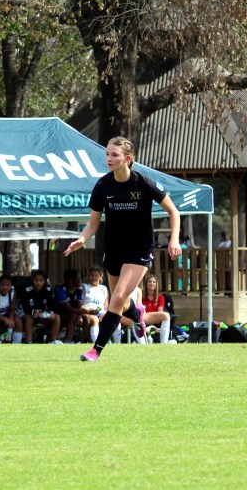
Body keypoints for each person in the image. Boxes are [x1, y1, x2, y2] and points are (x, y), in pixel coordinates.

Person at [64, 136, 182, 362]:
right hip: (114, 250)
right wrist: (81, 239)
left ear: (127, 159)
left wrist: (174, 239)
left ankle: (95, 350)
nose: (109, 158)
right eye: (107, 154)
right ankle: (137, 315)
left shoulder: (144, 183)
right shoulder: (103, 185)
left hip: (139, 250)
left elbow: (174, 212)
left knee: (117, 298)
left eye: (114, 155)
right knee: (122, 303)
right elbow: (93, 223)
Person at [18, 269, 61, 344]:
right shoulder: (27, 290)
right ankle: (29, 341)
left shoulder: (47, 290)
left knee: (56, 317)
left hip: (40, 315)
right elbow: (25, 306)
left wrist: (51, 312)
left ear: (44, 281)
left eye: (41, 280)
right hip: (26, 314)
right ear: (32, 280)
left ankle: (53, 341)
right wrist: (33, 311)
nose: (38, 283)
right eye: (36, 280)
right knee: (29, 318)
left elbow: (51, 304)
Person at [78, 266, 109, 344]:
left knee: (113, 319)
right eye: (92, 275)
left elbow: (106, 306)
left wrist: (103, 313)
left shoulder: (104, 288)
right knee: (95, 319)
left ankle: (116, 343)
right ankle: (96, 343)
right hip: (88, 312)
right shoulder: (84, 287)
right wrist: (90, 310)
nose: (94, 277)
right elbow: (80, 305)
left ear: (100, 277)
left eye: (96, 275)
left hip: (100, 312)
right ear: (89, 276)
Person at [140, 273, 172, 344]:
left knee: (165, 315)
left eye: (154, 282)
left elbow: (160, 313)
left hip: (156, 323)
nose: (152, 283)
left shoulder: (160, 297)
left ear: (156, 285)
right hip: (144, 321)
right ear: (146, 284)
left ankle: (163, 343)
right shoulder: (141, 296)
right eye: (149, 281)